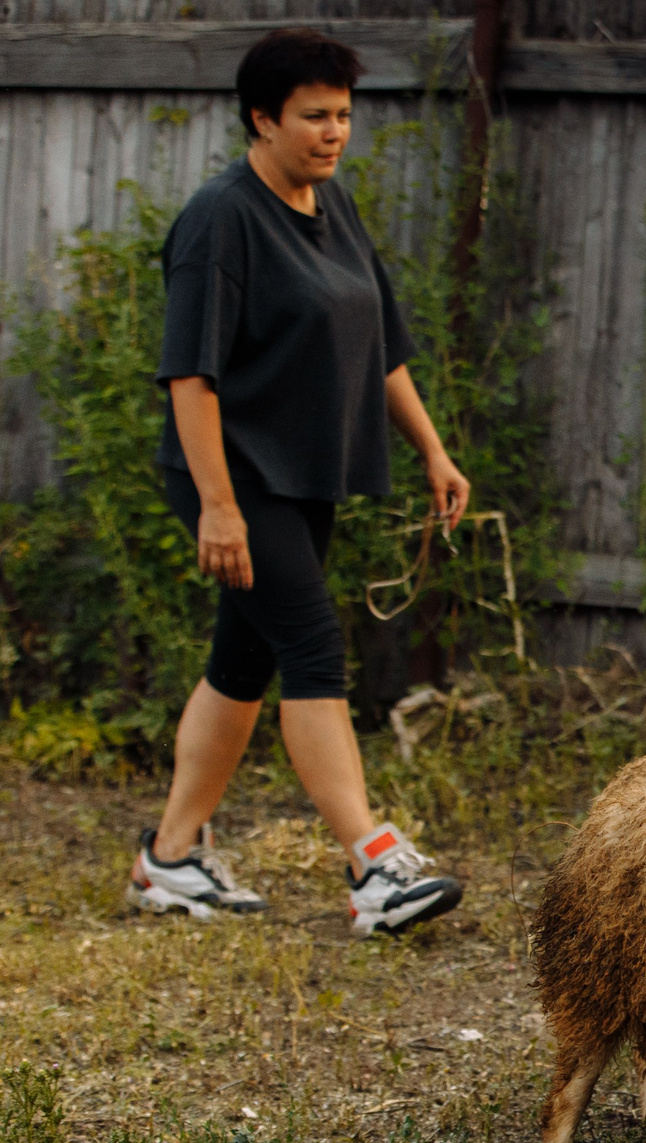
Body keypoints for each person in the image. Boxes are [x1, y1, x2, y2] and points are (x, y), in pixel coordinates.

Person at [128, 27, 466, 937]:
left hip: (305, 472)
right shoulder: (221, 219)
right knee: (313, 648)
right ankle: (374, 864)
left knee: (243, 661)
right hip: (235, 477)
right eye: (314, 115)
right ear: (262, 118)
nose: (334, 132)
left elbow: (382, 346)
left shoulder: (332, 207)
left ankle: (169, 858)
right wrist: (219, 507)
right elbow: (189, 377)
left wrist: (433, 449)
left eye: (344, 115)